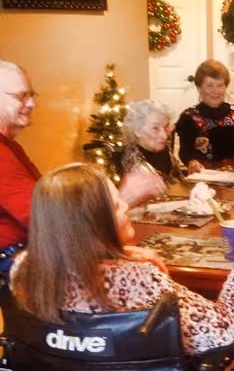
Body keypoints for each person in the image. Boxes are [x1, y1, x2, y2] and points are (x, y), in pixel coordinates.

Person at [10, 163, 234, 355]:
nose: (126, 206)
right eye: (115, 205)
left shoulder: (23, 272)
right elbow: (225, 327)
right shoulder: (137, 280)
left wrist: (121, 254)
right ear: (91, 224)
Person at [0, 62, 163, 283]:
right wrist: (122, 199)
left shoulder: (10, 146)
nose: (31, 103)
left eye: (31, 94)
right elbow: (48, 222)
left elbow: (51, 205)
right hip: (15, 260)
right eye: (21, 96)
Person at [175, 60, 234, 173]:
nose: (216, 91)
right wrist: (192, 162)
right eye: (210, 85)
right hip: (205, 180)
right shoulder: (189, 117)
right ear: (199, 88)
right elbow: (185, 153)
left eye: (220, 85)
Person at [121, 100, 185, 183]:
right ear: (137, 130)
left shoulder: (164, 151)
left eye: (166, 127)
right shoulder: (130, 160)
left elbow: (179, 181)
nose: (165, 136)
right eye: (155, 128)